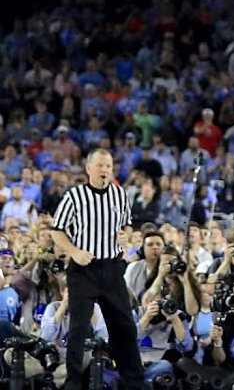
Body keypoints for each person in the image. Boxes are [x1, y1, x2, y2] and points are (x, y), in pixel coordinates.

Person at [49, 149, 148, 390]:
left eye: (109, 166)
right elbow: (56, 230)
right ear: (88, 169)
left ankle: (135, 382)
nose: (105, 170)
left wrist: (126, 236)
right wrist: (74, 252)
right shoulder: (75, 196)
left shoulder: (119, 194)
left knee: (124, 326)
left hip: (112, 269)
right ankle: (73, 383)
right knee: (79, 328)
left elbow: (126, 226)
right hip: (83, 271)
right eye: (101, 165)